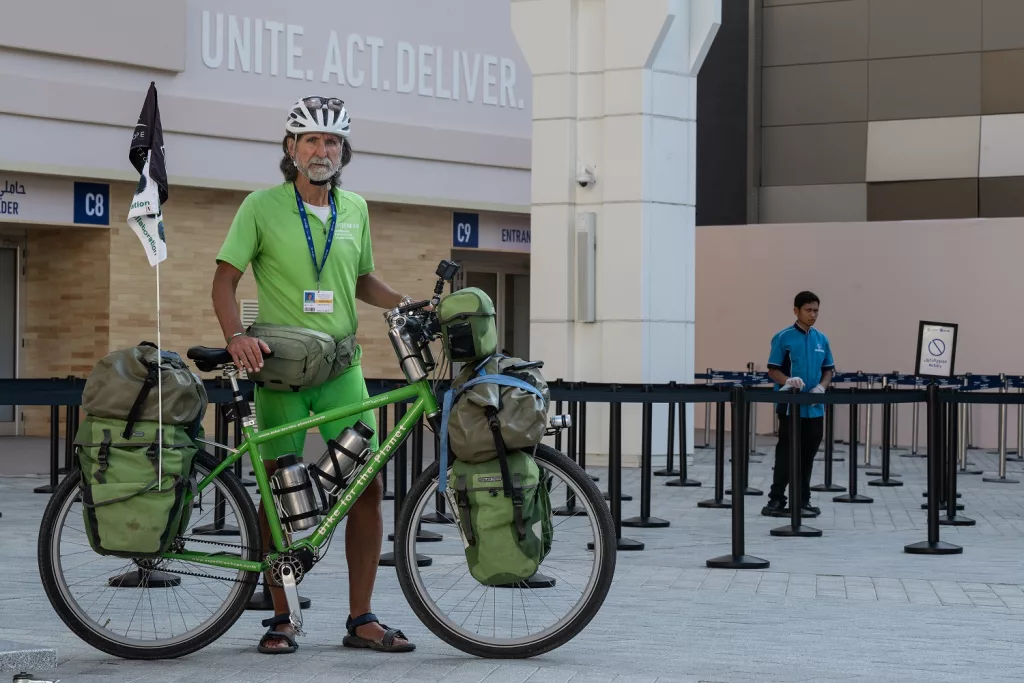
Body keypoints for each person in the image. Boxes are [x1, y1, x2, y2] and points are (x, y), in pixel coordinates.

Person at [212, 95, 418, 655]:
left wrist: (405, 303)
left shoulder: (356, 208)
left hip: (341, 369)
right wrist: (237, 337)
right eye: (310, 140)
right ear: (290, 149)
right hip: (280, 370)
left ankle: (361, 618)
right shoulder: (260, 206)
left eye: (331, 142)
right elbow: (224, 281)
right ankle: (282, 614)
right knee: (279, 485)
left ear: (343, 151)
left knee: (366, 485)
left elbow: (362, 279)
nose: (321, 150)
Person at [762, 291, 835, 518]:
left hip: (814, 407)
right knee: (786, 453)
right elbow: (773, 369)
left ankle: (803, 500)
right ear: (796, 311)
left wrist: (822, 387)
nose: (813, 315)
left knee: (808, 454)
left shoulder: (822, 339)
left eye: (816, 310)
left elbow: (829, 370)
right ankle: (776, 499)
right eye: (808, 310)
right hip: (790, 406)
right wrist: (788, 381)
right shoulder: (783, 337)